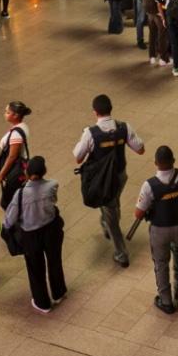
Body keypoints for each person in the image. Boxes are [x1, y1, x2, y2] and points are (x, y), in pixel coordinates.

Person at [71, 94, 147, 268]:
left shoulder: (90, 133)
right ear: (111, 109)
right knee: (112, 202)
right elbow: (141, 149)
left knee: (112, 213)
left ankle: (121, 253)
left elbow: (78, 158)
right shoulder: (124, 127)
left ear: (95, 112)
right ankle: (107, 219)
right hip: (120, 175)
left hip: (100, 179)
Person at [133, 145, 178, 314]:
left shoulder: (149, 185)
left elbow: (138, 213)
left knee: (161, 263)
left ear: (156, 163)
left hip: (159, 230)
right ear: (173, 161)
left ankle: (166, 301)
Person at [3, 156, 67, 313]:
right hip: (51, 229)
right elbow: (53, 201)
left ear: (26, 172)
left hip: (31, 234)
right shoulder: (53, 185)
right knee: (54, 261)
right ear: (44, 171)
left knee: (35, 268)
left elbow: (9, 220)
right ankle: (58, 292)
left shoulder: (20, 194)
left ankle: (42, 302)